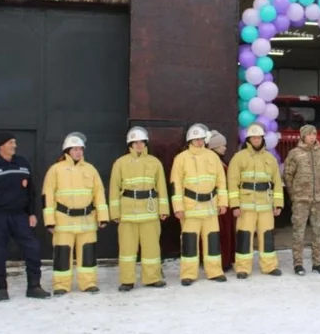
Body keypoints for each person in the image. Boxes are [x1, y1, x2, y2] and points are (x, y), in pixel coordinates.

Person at [0, 132, 51, 302]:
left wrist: (32, 213)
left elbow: (30, 191)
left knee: (32, 248)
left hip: (20, 216)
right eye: (10, 142)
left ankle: (34, 286)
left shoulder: (22, 163)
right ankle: (1, 288)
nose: (14, 145)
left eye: (14, 142)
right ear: (1, 146)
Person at [42, 132, 109, 295]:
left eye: (80, 149)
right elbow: (47, 196)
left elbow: (99, 194)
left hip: (87, 220)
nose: (78, 152)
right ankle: (61, 285)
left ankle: (88, 283)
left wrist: (103, 217)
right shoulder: (56, 170)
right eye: (75, 149)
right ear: (67, 151)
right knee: (62, 254)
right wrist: (49, 221)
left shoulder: (90, 170)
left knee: (88, 254)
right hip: (63, 221)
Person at [108, 126, 170, 292]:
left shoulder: (154, 162)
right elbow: (114, 189)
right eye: (135, 142)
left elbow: (161, 187)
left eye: (142, 142)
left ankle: (152, 278)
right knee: (127, 250)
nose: (139, 145)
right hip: (128, 213)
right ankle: (127, 280)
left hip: (149, 212)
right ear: (130, 144)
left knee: (152, 248)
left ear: (146, 143)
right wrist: (115, 213)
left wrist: (163, 209)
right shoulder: (120, 163)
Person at [170, 123, 229, 286]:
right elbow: (176, 185)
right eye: (195, 139)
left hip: (210, 207)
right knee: (189, 242)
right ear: (190, 140)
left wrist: (223, 202)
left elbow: (221, 182)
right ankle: (188, 274)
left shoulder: (213, 157)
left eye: (201, 139)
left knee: (212, 242)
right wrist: (178, 207)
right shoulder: (181, 158)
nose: (199, 142)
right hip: (190, 208)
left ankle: (215, 271)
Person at [227, 123, 284, 279]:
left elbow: (277, 183)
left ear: (262, 139)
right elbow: (232, 183)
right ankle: (242, 268)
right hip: (246, 206)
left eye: (259, 137)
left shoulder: (270, 159)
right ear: (248, 139)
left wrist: (278, 204)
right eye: (253, 137)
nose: (256, 140)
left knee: (267, 236)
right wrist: (234, 205)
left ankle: (269, 266)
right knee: (244, 237)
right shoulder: (239, 158)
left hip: (266, 205)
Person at [284, 124, 320, 276]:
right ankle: (298, 264)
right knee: (299, 232)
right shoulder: (295, 154)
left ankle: (317, 263)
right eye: (309, 134)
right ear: (303, 136)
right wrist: (294, 194)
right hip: (301, 199)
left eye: (314, 134)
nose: (312, 137)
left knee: (318, 232)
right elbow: (288, 175)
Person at [207, 130, 236, 272]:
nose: (225, 148)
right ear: (215, 147)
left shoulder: (220, 160)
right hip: (219, 204)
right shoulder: (215, 162)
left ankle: (225, 259)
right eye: (222, 145)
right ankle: (223, 261)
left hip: (223, 202)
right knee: (222, 233)